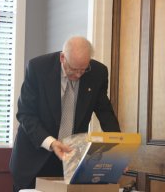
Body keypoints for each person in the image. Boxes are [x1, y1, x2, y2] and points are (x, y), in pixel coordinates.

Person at [9, 36, 121, 191]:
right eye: (74, 69)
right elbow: (25, 114)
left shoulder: (98, 72)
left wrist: (118, 151)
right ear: (63, 58)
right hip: (34, 158)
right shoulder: (38, 68)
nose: (79, 75)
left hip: (71, 158)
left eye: (83, 69)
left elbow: (105, 112)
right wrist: (52, 143)